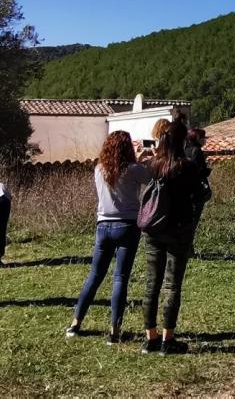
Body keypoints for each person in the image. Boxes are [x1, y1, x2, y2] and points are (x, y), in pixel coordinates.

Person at [66, 131, 151, 344]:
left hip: (103, 225)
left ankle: (76, 323)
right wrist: (141, 160)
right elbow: (151, 178)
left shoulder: (99, 169)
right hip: (127, 225)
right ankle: (114, 330)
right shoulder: (133, 169)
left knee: (95, 275)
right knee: (120, 277)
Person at [141, 119, 200, 355]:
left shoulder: (154, 164)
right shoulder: (186, 166)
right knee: (172, 285)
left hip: (154, 227)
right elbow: (199, 194)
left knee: (152, 283)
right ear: (182, 140)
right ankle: (168, 339)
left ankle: (150, 337)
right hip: (179, 228)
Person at [183, 127, 211, 230]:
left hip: (186, 190)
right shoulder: (197, 151)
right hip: (196, 190)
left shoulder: (185, 150)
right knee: (194, 220)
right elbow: (199, 171)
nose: (205, 139)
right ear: (197, 138)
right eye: (203, 137)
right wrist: (207, 170)